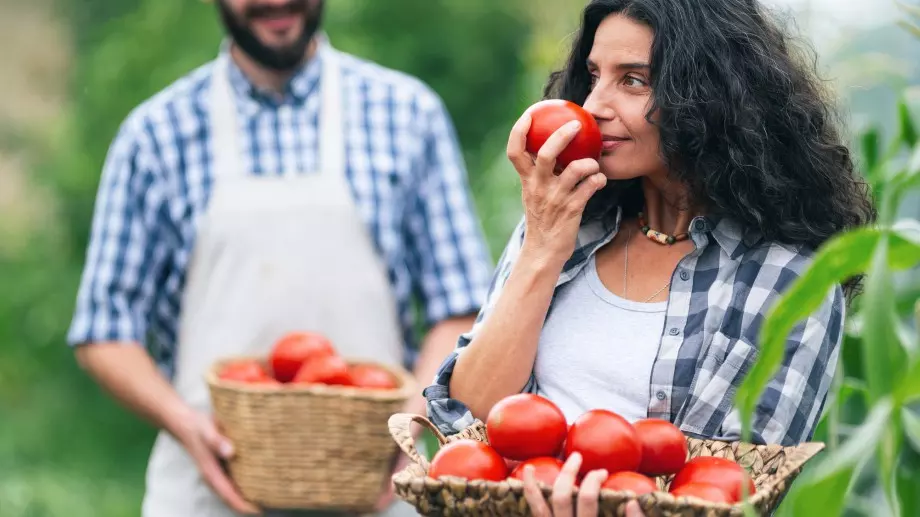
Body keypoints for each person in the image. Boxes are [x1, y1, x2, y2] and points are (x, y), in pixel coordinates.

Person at [424, 0, 875, 514]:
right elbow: (467, 421)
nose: (593, 105)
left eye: (633, 81)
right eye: (594, 76)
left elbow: (724, 489)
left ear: (709, 96)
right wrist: (542, 249)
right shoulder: (563, 224)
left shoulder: (789, 280)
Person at [66, 0, 494, 515]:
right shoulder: (156, 134)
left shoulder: (406, 115)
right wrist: (186, 426)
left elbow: (461, 306)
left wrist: (408, 422)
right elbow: (104, 330)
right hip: (207, 492)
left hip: (378, 488)